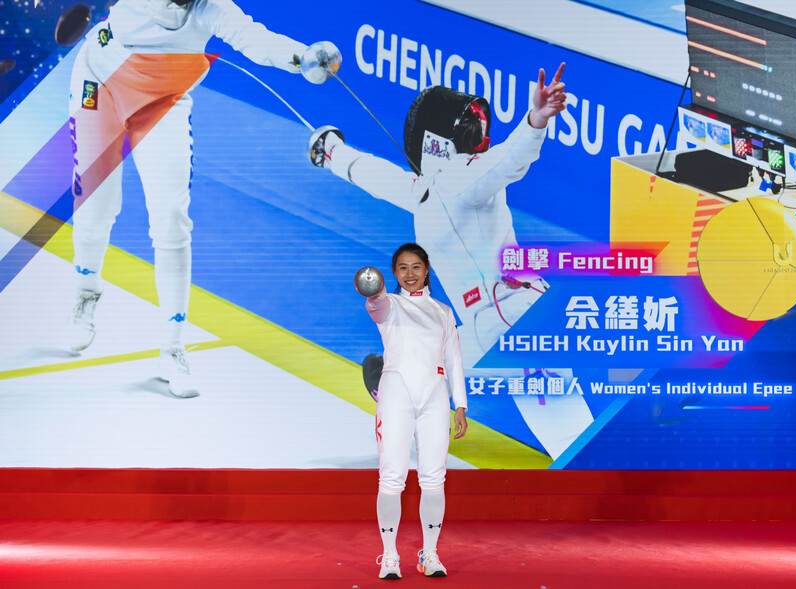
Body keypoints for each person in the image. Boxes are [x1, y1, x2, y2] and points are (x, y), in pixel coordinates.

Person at [311, 63, 595, 459]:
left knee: (570, 436)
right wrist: (332, 152)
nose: (479, 135)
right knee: (568, 434)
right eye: (469, 127)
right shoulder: (437, 186)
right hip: (504, 325)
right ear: (439, 138)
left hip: (502, 325)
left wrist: (536, 121)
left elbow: (509, 158)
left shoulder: (448, 183)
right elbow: (373, 174)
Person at [67, 0, 335, 397]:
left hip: (161, 101)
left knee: (172, 219)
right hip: (98, 82)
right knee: (96, 204)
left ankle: (173, 347)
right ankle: (85, 295)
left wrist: (303, 58)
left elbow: (255, 39)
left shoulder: (213, 8)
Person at [356, 243, 468, 579]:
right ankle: (389, 556)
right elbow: (375, 303)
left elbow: (453, 361)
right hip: (396, 396)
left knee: (434, 477)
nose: (410, 274)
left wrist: (459, 404)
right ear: (394, 274)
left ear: (427, 269)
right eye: (402, 268)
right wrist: (373, 288)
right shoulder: (391, 306)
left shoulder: (444, 312)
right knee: (392, 477)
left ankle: (430, 553)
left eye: (416, 267)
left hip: (434, 396)